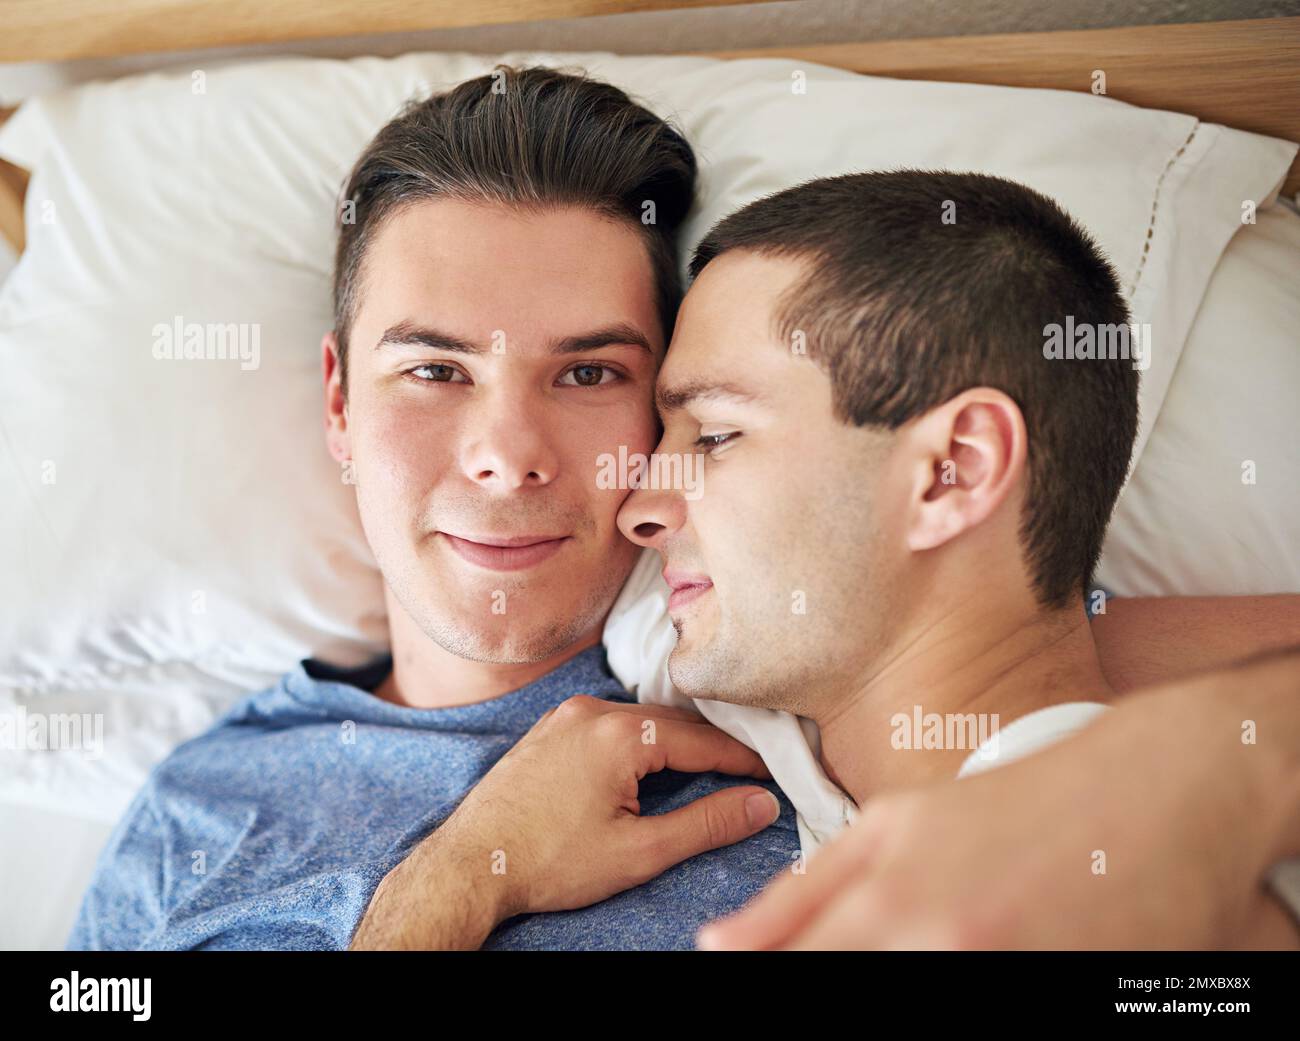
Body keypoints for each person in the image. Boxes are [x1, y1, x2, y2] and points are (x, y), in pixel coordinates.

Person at [66, 69, 1299, 952]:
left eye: (593, 375)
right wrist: (456, 881)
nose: (506, 456)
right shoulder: (200, 809)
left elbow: (1036, 654)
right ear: (338, 404)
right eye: (434, 370)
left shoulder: (776, 638)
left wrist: (1195, 773)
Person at [612, 169, 1300, 949]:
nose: (637, 508)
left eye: (714, 434)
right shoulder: (697, 671)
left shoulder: (1102, 896)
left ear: (954, 471)